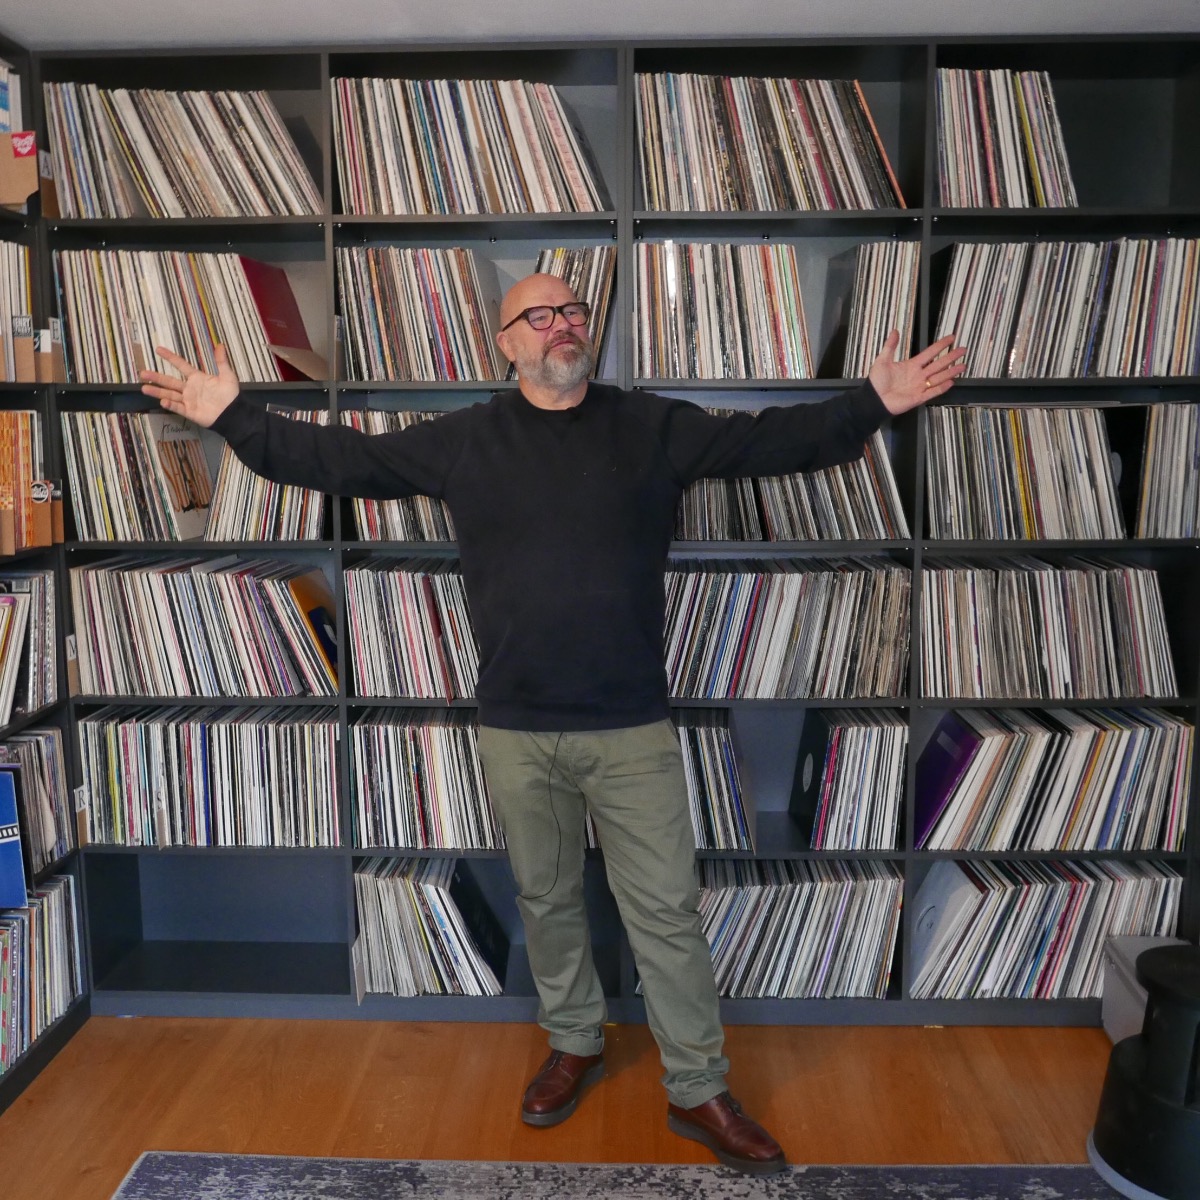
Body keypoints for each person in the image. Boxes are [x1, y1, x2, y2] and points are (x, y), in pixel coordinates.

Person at [140, 273, 966, 1176]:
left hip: (630, 728)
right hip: (518, 729)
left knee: (665, 913)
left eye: (573, 312)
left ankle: (698, 1087)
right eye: (540, 316)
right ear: (506, 342)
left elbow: (771, 442)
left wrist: (871, 403)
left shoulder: (650, 425)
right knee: (549, 898)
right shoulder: (464, 440)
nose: (564, 325)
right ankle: (574, 1043)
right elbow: (340, 461)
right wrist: (232, 416)